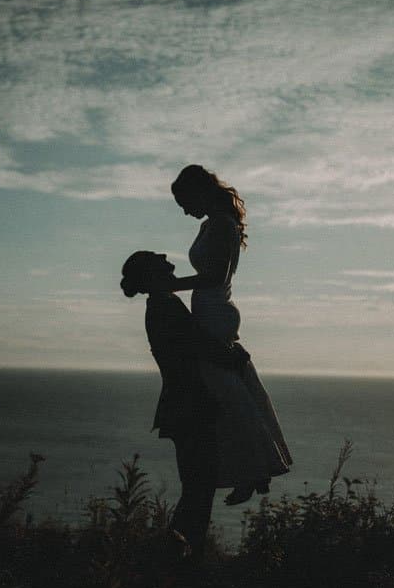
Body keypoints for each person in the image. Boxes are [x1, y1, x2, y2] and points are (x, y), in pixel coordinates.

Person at [166, 164, 292, 505]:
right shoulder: (212, 224)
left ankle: (253, 469)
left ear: (198, 192)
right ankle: (254, 469)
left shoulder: (222, 224)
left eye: (184, 202)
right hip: (210, 308)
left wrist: (171, 285)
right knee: (227, 393)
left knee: (227, 396)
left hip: (215, 309)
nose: (184, 211)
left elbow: (215, 277)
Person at [120, 251, 249, 560]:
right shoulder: (165, 307)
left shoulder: (162, 306)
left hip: (184, 406)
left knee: (197, 489)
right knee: (198, 491)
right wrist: (233, 356)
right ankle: (181, 560)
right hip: (189, 407)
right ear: (152, 275)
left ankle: (182, 557)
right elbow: (198, 344)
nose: (168, 258)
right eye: (158, 259)